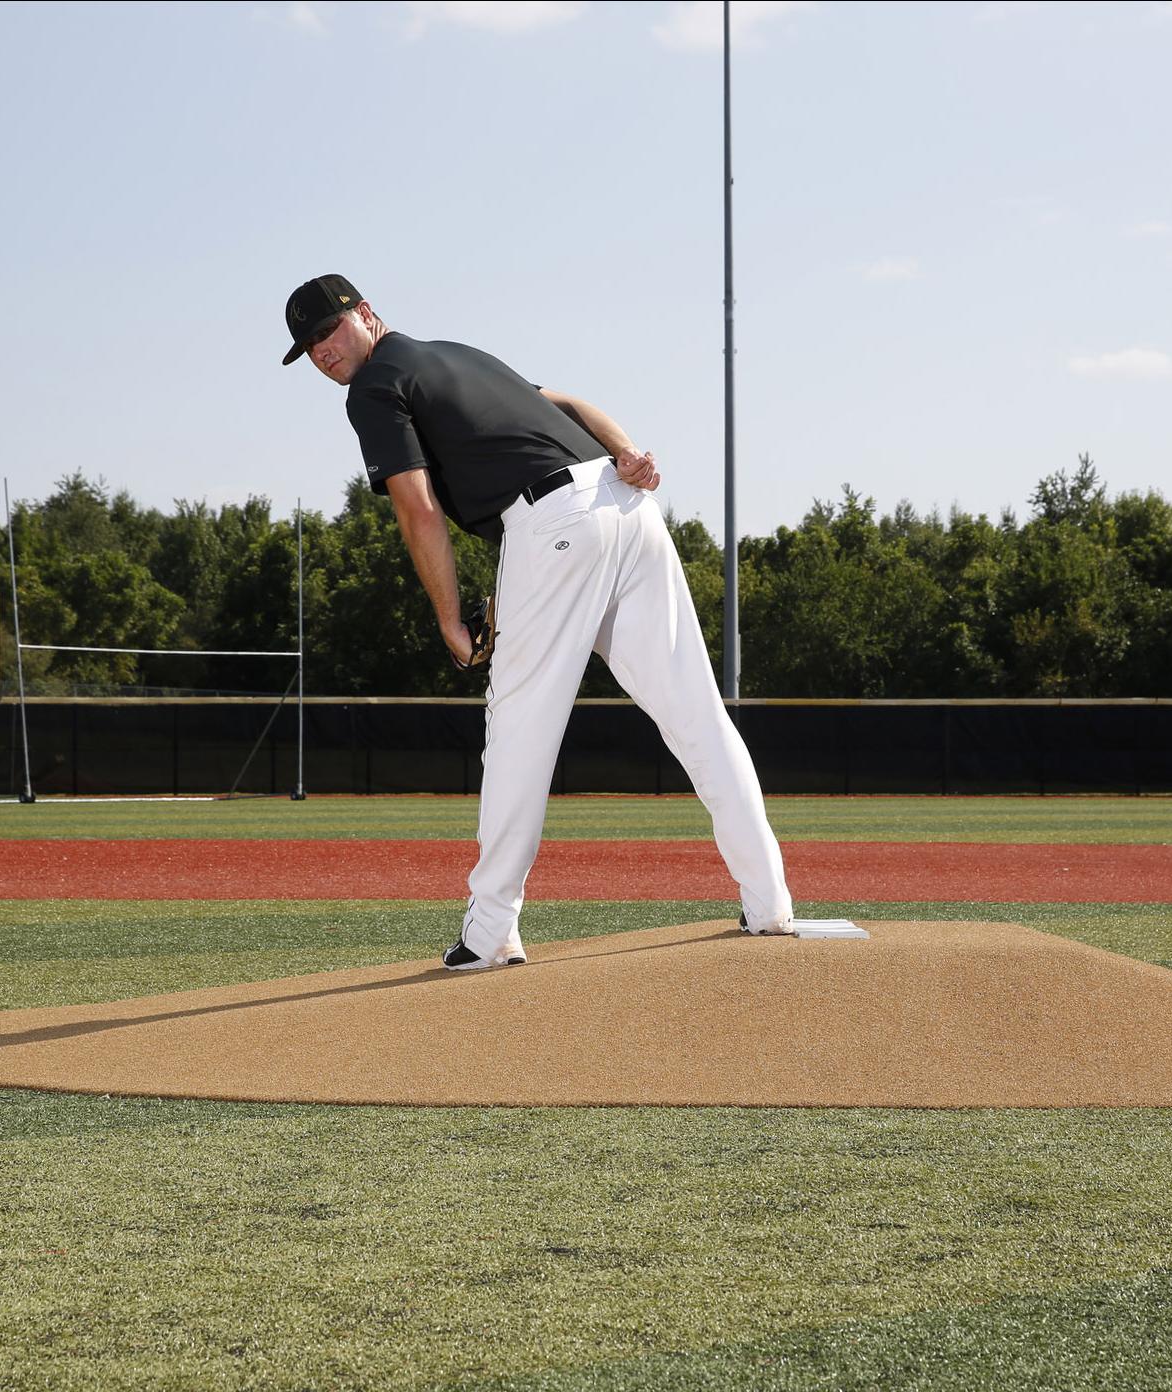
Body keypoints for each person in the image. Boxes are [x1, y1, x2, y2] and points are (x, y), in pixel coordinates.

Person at [282, 274, 795, 969]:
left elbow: (417, 508)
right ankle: (768, 904)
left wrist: (447, 619)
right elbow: (568, 402)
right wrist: (626, 452)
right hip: (626, 511)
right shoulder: (454, 354)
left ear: (367, 314)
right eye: (308, 345)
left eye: (328, 330)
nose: (321, 350)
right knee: (696, 712)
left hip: (554, 523)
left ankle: (491, 931)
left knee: (521, 730)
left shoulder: (373, 388)